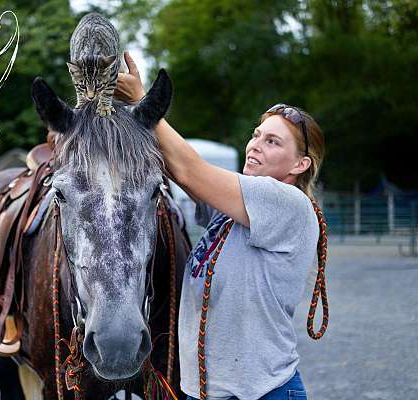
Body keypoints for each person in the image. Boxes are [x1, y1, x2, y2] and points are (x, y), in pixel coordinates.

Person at [115, 51, 327, 400]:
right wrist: (124, 114)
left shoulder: (288, 204)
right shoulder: (232, 213)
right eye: (256, 135)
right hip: (205, 392)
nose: (255, 146)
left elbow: (190, 170)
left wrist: (143, 101)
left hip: (261, 394)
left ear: (300, 164)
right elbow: (175, 169)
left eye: (272, 141)